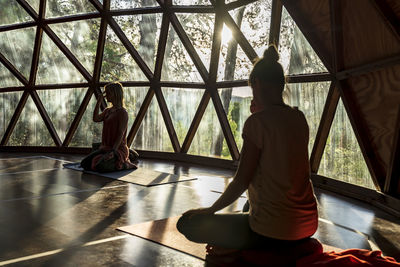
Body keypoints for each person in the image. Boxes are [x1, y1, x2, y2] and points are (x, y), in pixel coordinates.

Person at [176, 45, 318, 255]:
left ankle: (242, 247)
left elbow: (242, 180)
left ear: (257, 84)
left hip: (273, 231)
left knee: (187, 224)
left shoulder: (256, 122)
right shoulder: (299, 118)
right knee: (247, 207)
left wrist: (209, 210)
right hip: (307, 225)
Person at [80, 82, 138, 172]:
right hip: (105, 147)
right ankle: (125, 156)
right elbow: (95, 118)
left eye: (108, 93)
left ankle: (126, 164)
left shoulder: (122, 112)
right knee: (84, 164)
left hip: (117, 149)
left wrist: (113, 151)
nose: (106, 95)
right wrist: (99, 101)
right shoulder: (108, 110)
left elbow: (120, 134)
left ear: (114, 94)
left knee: (101, 166)